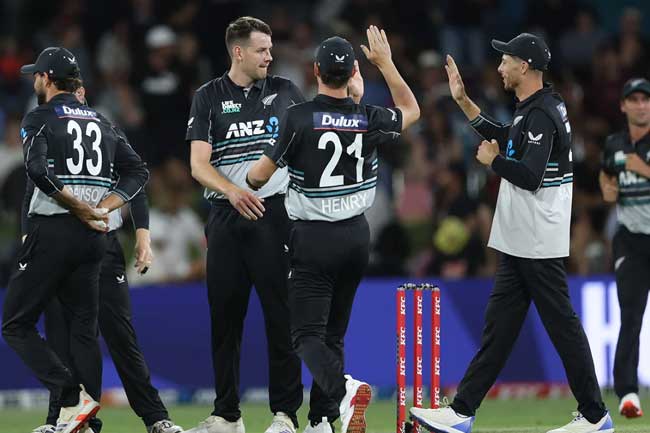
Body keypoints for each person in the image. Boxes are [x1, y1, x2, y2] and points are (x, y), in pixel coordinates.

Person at [409, 33, 613, 433]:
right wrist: (464, 102)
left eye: (506, 60)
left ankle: (594, 415)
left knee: (561, 327)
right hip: (524, 240)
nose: (499, 66)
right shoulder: (534, 108)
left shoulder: (541, 113)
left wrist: (494, 162)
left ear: (525, 66)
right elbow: (505, 136)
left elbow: (530, 176)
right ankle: (462, 411)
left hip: (536, 240)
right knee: (499, 332)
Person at [247, 27, 420, 433]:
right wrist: (386, 64)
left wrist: (260, 172)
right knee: (334, 334)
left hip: (313, 238)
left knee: (305, 336)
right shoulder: (367, 117)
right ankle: (322, 420)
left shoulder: (298, 118)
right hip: (357, 237)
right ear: (353, 72)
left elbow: (257, 177)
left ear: (315, 71)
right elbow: (411, 109)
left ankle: (343, 391)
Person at [186, 16, 351, 433]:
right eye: (262, 50)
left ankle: (285, 414)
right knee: (224, 319)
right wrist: (232, 191)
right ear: (238, 52)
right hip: (225, 216)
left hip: (275, 214)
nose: (269, 56)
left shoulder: (285, 91)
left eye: (271, 49)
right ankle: (227, 415)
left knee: (282, 317)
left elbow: (315, 131)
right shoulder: (208, 97)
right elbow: (198, 165)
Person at [1, 47, 148, 433]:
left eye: (37, 75)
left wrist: (78, 205)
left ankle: (71, 398)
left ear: (47, 79)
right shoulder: (100, 119)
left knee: (15, 324)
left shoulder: (40, 116)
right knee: (84, 330)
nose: (34, 81)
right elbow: (138, 171)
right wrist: (103, 207)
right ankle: (85, 423)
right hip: (93, 237)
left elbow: (35, 170)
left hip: (55, 231)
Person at [28, 86, 183, 433]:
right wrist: (29, 235)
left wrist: (142, 235)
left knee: (119, 335)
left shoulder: (105, 129)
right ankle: (64, 421)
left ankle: (156, 418)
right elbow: (32, 186)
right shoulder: (51, 130)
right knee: (61, 335)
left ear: (82, 92)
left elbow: (134, 180)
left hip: (102, 241)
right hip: (60, 242)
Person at [600, 77, 650, 420]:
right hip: (630, 240)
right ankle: (628, 394)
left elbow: (633, 169)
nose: (641, 105)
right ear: (623, 106)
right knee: (630, 316)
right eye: (634, 100)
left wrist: (641, 168)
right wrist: (607, 187)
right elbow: (606, 176)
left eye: (645, 100)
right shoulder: (613, 144)